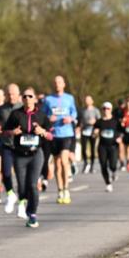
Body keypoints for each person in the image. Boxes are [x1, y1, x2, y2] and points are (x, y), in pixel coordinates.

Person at [2, 87, 53, 228]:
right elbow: (4, 132)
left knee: (33, 185)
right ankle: (22, 202)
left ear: (35, 99)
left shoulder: (41, 115)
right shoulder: (15, 114)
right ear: (21, 99)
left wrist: (42, 131)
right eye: (24, 97)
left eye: (30, 96)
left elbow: (51, 135)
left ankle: (32, 214)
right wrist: (13, 132)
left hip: (36, 154)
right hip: (19, 155)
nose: (27, 99)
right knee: (22, 185)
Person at [42, 75, 78, 204]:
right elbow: (42, 115)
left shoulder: (69, 98)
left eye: (60, 82)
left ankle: (67, 189)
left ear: (64, 84)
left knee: (64, 161)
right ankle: (60, 190)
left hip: (66, 133)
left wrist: (70, 118)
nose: (57, 84)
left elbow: (74, 112)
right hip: (54, 134)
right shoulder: (48, 100)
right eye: (55, 82)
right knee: (57, 164)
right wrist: (48, 119)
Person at [0, 83, 22, 213]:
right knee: (6, 173)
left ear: (19, 94)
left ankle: (23, 203)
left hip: (21, 146)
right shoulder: (1, 109)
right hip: (7, 144)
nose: (11, 96)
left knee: (20, 175)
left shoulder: (23, 107)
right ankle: (11, 194)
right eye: (9, 94)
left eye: (13, 94)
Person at [93, 102, 123, 191]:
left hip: (113, 146)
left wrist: (120, 138)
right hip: (102, 146)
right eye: (104, 109)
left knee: (113, 165)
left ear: (111, 109)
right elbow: (94, 132)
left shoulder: (115, 121)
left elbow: (122, 131)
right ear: (102, 110)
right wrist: (95, 133)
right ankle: (108, 183)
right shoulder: (99, 121)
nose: (106, 110)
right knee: (103, 165)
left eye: (108, 108)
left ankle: (113, 171)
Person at [79, 95, 100, 173]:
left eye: (88, 100)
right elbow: (81, 121)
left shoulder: (95, 110)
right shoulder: (83, 110)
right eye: (86, 100)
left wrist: (96, 126)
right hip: (84, 132)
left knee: (92, 149)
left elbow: (99, 121)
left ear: (92, 101)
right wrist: (79, 128)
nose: (87, 101)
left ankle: (92, 165)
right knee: (83, 149)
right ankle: (85, 163)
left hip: (92, 132)